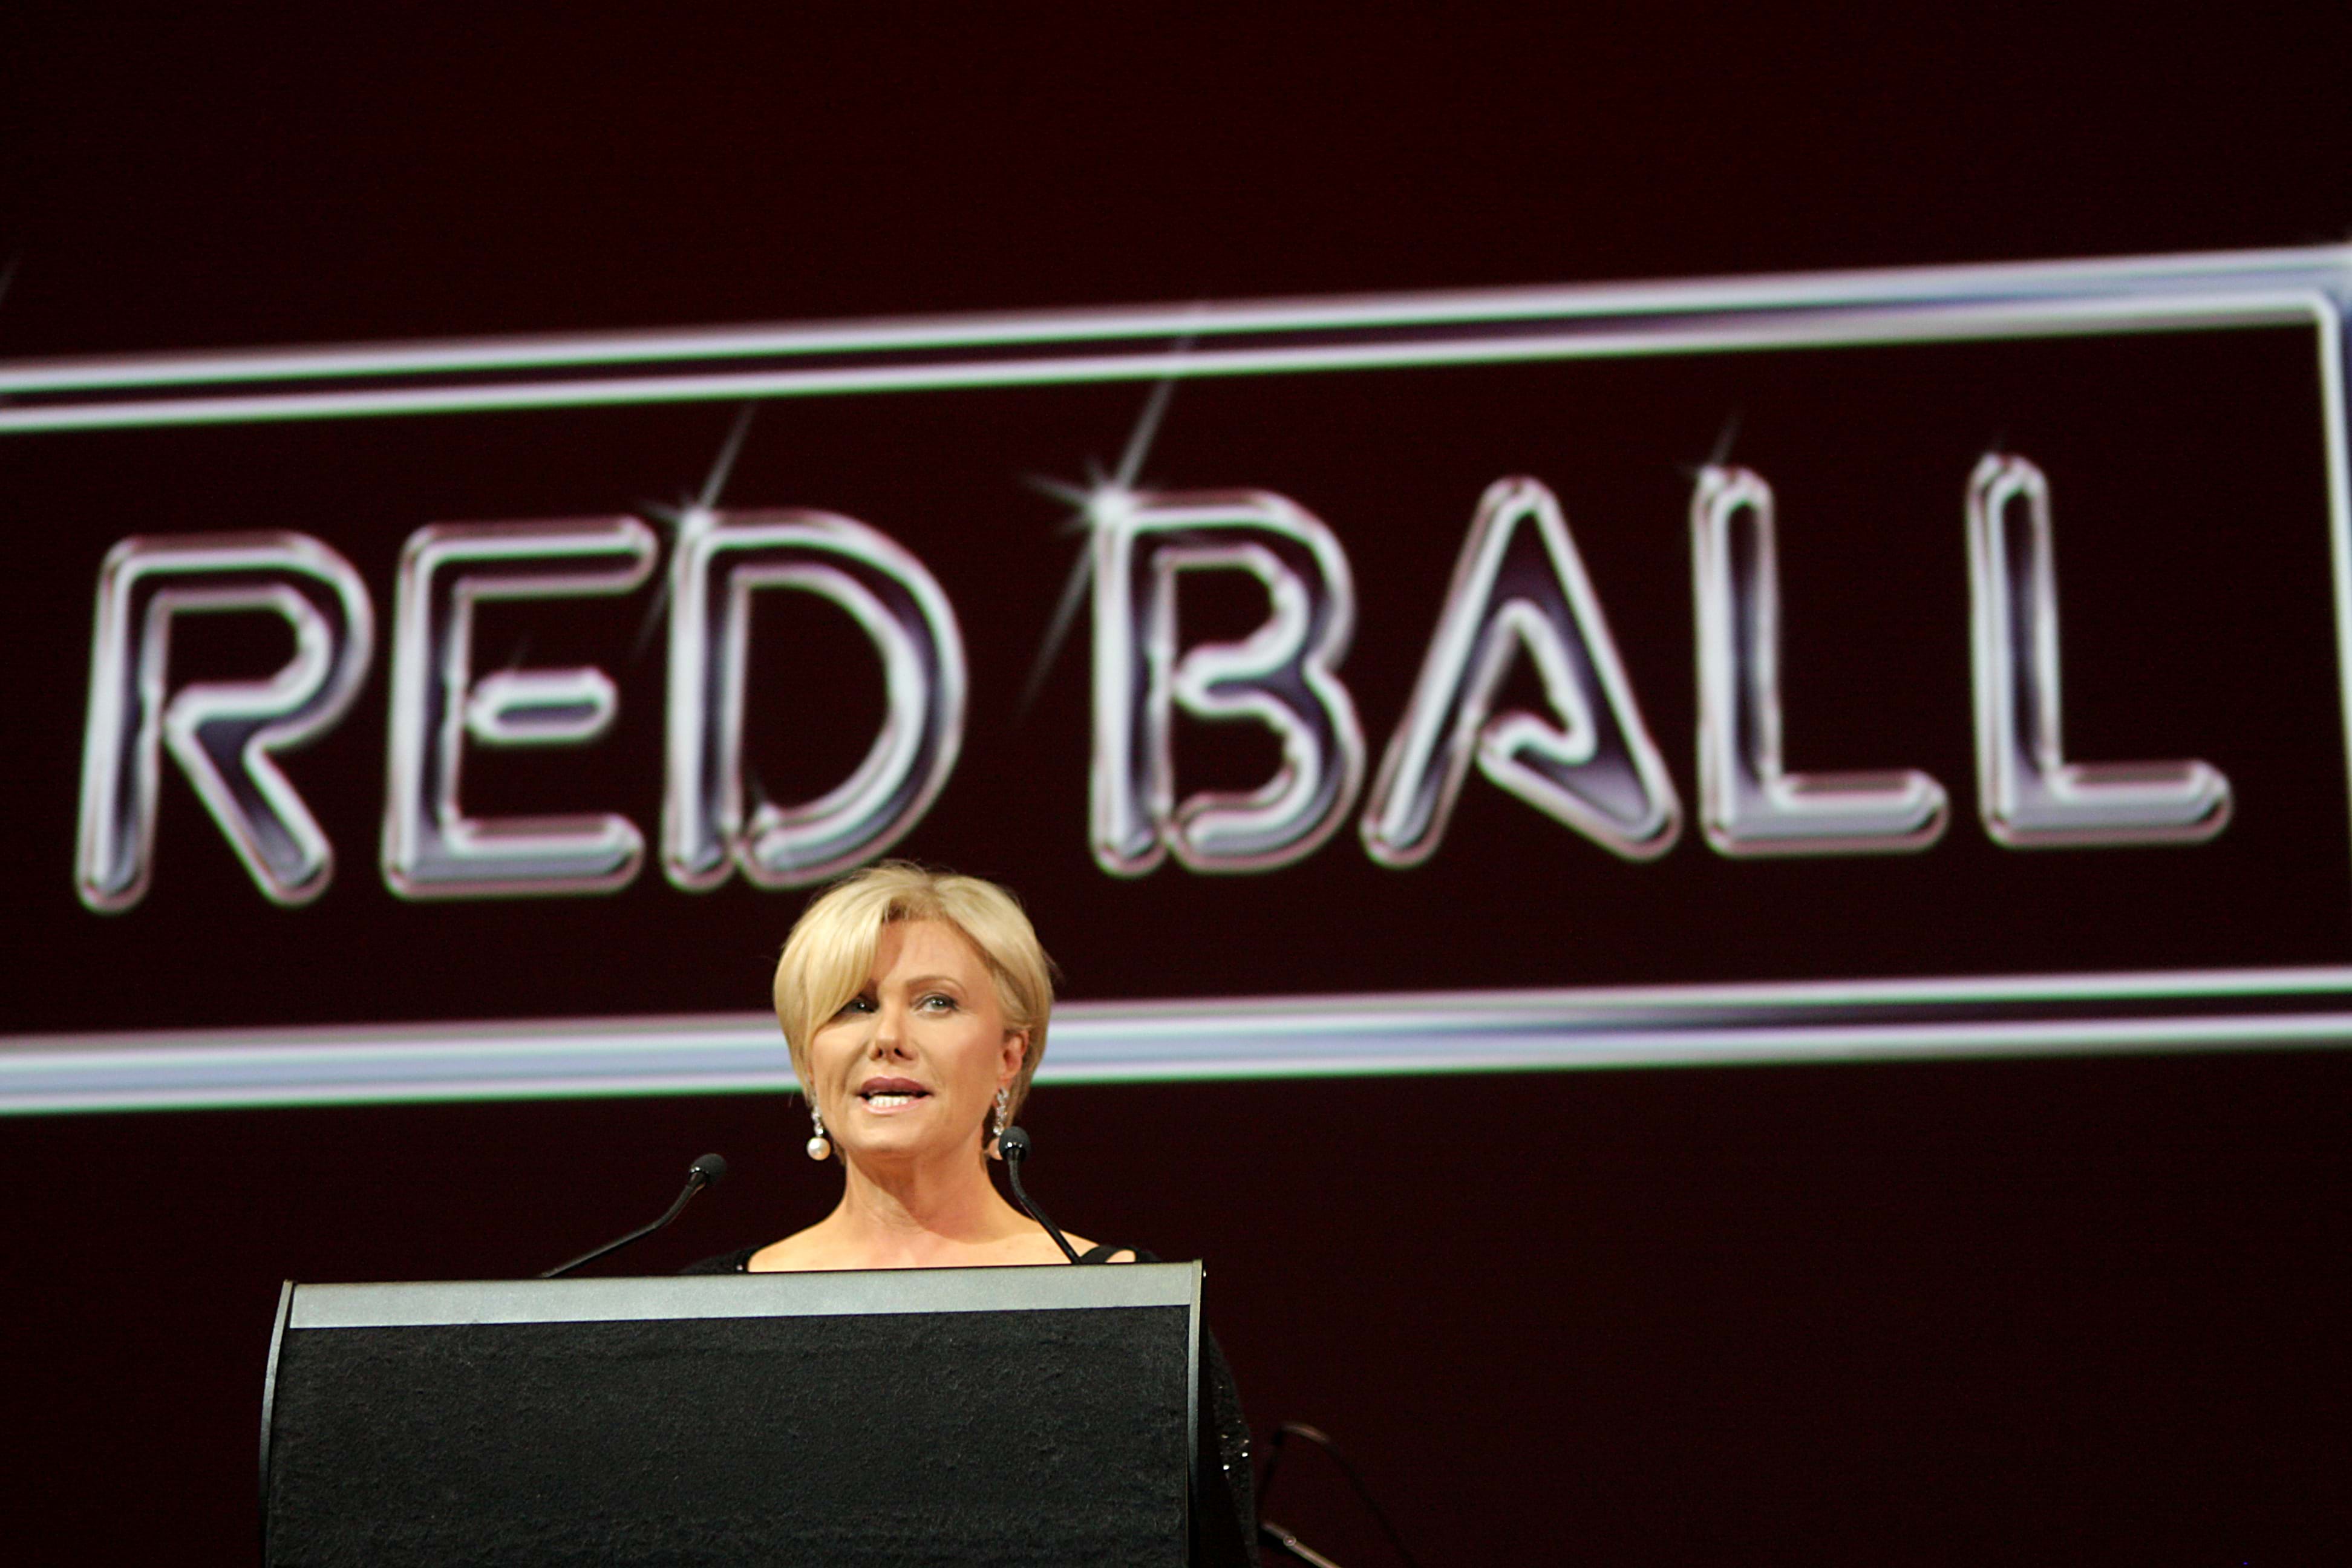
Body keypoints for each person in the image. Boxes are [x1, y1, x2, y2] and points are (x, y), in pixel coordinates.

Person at [682, 861, 1258, 1566]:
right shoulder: (711, 1317)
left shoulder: (1132, 1314)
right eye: (854, 1005)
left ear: (1009, 1056)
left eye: (936, 1003)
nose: (887, 1037)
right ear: (809, 1062)